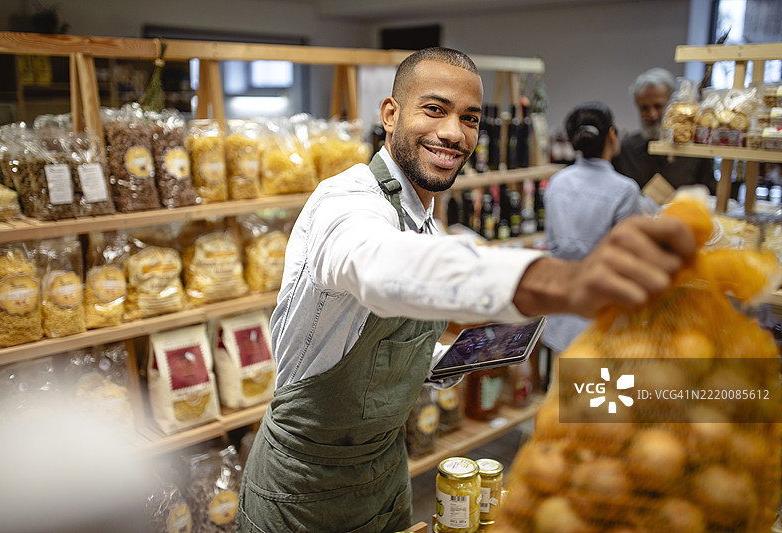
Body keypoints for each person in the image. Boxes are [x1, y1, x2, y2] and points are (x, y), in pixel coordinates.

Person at [237, 47, 696, 533]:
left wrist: (443, 362)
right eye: (434, 110)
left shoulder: (426, 223)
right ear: (390, 115)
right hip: (300, 492)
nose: (454, 133)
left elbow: (378, 350)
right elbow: (377, 267)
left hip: (385, 478)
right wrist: (558, 279)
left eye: (470, 118)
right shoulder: (344, 201)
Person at [542, 102, 642, 354]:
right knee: (598, 390)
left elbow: (552, 242)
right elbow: (626, 258)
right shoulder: (625, 190)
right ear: (612, 135)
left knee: (562, 387)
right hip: (601, 310)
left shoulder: (557, 182)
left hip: (560, 305)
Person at [612, 67, 717, 194]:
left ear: (673, 104)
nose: (652, 114)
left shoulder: (696, 151)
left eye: (658, 106)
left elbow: (710, 195)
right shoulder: (626, 149)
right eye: (644, 108)